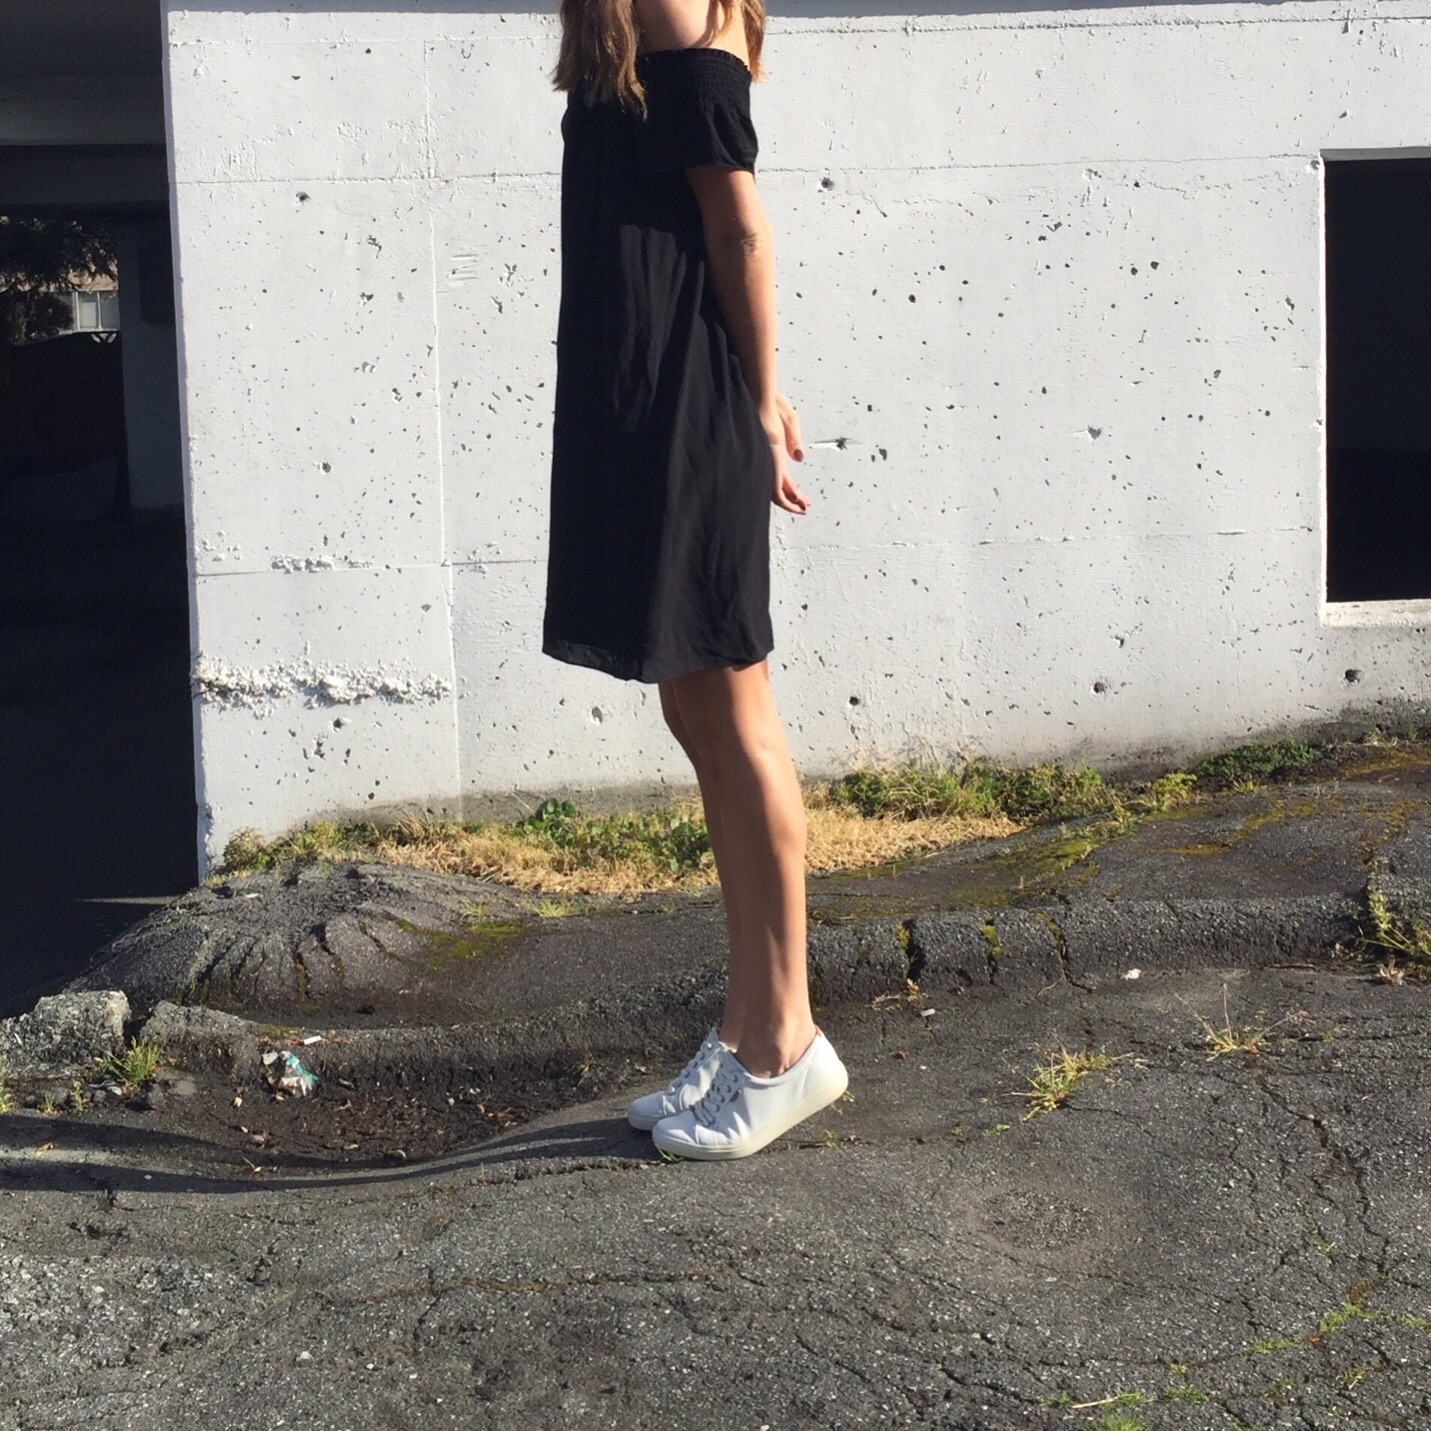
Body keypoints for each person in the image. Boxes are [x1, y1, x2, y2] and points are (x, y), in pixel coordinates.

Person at [546, 0, 848, 1159]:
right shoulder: (628, 21)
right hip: (646, 406)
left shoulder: (677, 10)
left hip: (691, 410)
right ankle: (745, 1025)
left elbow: (739, 228)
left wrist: (761, 400)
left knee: (737, 722)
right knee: (701, 720)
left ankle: (787, 1043)